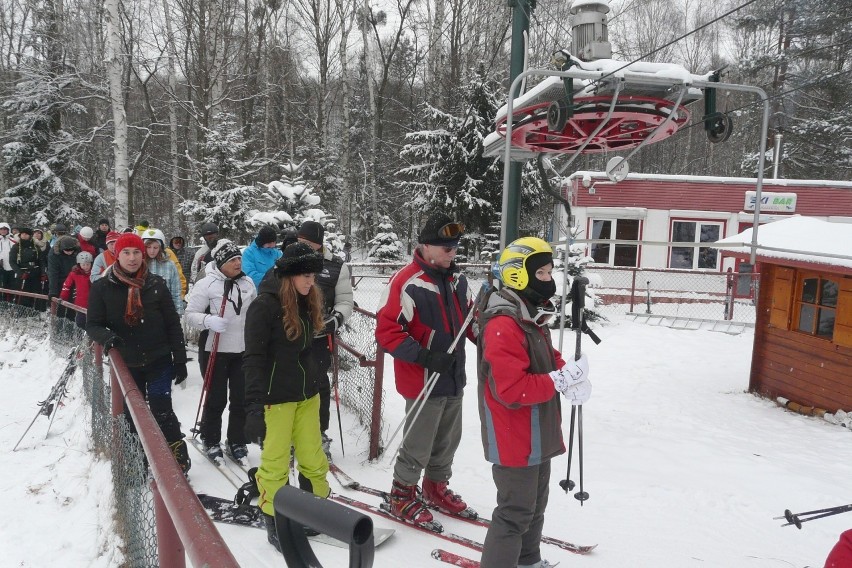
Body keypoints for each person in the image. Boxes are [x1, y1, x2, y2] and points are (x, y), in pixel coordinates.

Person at [477, 237, 591, 568]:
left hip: (536, 432)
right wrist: (558, 382)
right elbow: (511, 390)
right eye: (541, 272)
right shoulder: (503, 323)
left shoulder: (528, 314)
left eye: (549, 271)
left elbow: (544, 358)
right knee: (514, 512)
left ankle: (527, 561)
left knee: (535, 506)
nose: (549, 279)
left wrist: (568, 373)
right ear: (518, 275)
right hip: (514, 437)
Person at [375, 212, 474, 525]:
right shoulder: (407, 282)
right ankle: (402, 494)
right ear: (426, 246)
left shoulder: (458, 281)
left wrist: (489, 331)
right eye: (446, 248)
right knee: (419, 442)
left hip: (454, 375)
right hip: (423, 379)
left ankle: (435, 486)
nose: (452, 253)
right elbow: (387, 330)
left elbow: (471, 323)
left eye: (455, 248)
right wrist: (424, 357)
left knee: (447, 440)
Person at [243, 241, 330, 551]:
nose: (311, 281)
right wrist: (254, 406)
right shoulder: (264, 306)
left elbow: (305, 349)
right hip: (274, 399)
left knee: (313, 458)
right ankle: (275, 519)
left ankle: (315, 510)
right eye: (305, 275)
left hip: (307, 396)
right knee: (276, 464)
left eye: (314, 276)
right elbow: (253, 357)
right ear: (289, 275)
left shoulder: (308, 301)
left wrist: (319, 375)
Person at [86, 232, 191, 474]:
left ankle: (176, 457)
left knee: (162, 407)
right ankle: (136, 460)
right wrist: (108, 338)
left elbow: (172, 323)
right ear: (117, 255)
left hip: (159, 360)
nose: (132, 258)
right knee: (132, 412)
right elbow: (93, 324)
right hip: (127, 362)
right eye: (126, 252)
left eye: (136, 252)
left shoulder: (156, 284)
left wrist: (180, 359)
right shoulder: (103, 287)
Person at [185, 239, 256, 462]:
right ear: (221, 262)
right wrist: (208, 320)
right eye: (233, 260)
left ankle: (236, 441)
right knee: (216, 399)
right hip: (214, 349)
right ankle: (210, 439)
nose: (238, 263)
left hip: (242, 350)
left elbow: (254, 313)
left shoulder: (248, 283)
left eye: (239, 258)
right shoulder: (206, 284)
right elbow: (190, 314)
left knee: (240, 399)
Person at [297, 220, 354, 449]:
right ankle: (293, 432)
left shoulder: (335, 266)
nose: (304, 247)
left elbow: (345, 301)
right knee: (291, 383)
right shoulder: (289, 260)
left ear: (319, 244)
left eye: (308, 243)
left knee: (319, 383)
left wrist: (336, 319)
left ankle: (319, 432)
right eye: (301, 242)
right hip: (292, 336)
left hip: (320, 338)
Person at [140, 229, 184, 314]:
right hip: (144, 312)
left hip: (165, 311)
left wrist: (178, 312)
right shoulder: (139, 264)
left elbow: (176, 292)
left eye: (155, 247)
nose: (152, 251)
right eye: (148, 247)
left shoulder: (170, 265)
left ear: (161, 248)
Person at [9, 227, 46, 307]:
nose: (24, 236)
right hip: (23, 272)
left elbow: (41, 261)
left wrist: (43, 273)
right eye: (22, 234)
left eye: (26, 234)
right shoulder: (16, 247)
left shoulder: (35, 247)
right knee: (23, 294)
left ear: (30, 236)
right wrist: (20, 272)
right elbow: (12, 262)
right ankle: (23, 311)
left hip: (35, 272)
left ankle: (37, 310)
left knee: (36, 292)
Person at [60, 251, 93, 329]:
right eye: (83, 264)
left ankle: (91, 337)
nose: (86, 267)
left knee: (93, 322)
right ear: (79, 264)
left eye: (88, 264)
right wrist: (63, 297)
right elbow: (67, 285)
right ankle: (83, 335)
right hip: (80, 303)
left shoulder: (95, 272)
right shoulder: (74, 274)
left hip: (94, 303)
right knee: (80, 322)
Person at [48, 235, 81, 300]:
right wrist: (53, 291)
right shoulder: (54, 254)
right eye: (67, 251)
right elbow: (53, 273)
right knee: (61, 301)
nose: (69, 252)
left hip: (74, 279)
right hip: (60, 279)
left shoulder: (77, 250)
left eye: (71, 250)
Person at [0, 222, 14, 296]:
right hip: (1, 267)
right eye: (1, 229)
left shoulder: (13, 241)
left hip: (12, 268)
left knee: (11, 287)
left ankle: (9, 303)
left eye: (5, 229)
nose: (3, 231)